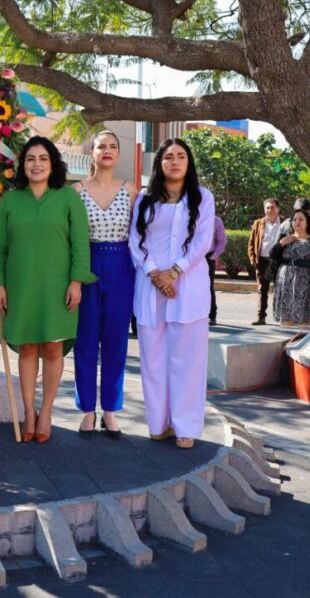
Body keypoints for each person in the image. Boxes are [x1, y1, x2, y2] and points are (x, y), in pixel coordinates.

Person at [0, 136, 95, 443]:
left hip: (58, 285)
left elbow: (80, 244)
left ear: (53, 163)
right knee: (28, 346)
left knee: (53, 347)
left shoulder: (68, 198)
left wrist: (76, 281)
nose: (36, 164)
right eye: (30, 158)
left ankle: (46, 412)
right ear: (23, 164)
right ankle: (28, 411)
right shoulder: (11, 200)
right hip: (20, 284)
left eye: (43, 158)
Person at [128, 138, 215, 449]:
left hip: (187, 286)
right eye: (168, 157)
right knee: (153, 358)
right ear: (159, 163)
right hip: (151, 286)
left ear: (188, 162)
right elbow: (135, 239)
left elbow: (202, 242)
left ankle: (185, 428)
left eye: (180, 156)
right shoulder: (145, 199)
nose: (175, 161)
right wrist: (155, 273)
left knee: (187, 360)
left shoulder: (202, 198)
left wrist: (174, 272)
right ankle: (157, 424)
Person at [71, 131, 136, 439]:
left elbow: (140, 237)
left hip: (122, 267)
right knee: (85, 340)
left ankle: (110, 409)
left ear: (119, 154)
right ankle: (87, 410)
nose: (107, 151)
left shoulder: (130, 190)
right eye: (101, 146)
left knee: (115, 341)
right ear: (92, 153)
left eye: (112, 146)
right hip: (88, 264)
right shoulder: (76, 190)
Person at [271, 209, 310, 325]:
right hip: (285, 281)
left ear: (307, 222)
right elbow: (273, 255)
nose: (297, 222)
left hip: (306, 281)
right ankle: (287, 337)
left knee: (305, 318)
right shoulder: (286, 237)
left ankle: (303, 339)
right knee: (286, 316)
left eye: (301, 219)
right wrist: (281, 244)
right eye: (294, 219)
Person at [247, 198, 282, 325]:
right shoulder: (258, 223)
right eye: (267, 208)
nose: (270, 210)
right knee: (262, 290)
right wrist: (253, 260)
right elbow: (251, 243)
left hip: (278, 262)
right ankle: (261, 317)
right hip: (262, 261)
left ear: (278, 209)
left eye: (272, 207)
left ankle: (282, 317)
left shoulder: (284, 224)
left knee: (281, 289)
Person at [207, 215, 227, 325]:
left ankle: (212, 315)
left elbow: (222, 241)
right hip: (193, 256)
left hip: (208, 257)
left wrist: (213, 257)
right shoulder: (192, 217)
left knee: (208, 286)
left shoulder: (216, 221)